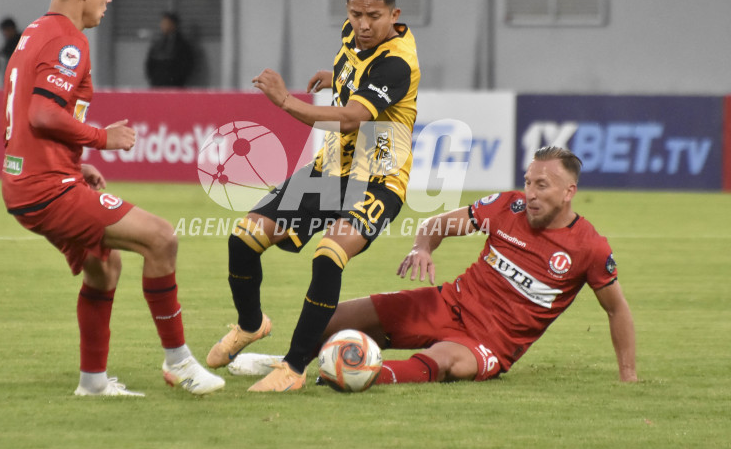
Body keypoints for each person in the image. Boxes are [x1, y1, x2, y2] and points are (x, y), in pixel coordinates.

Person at [1, 0, 224, 397]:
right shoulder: (67, 40)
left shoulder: (34, 34)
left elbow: (27, 115)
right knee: (161, 237)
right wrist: (103, 139)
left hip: (31, 180)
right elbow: (42, 114)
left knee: (105, 267)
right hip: (45, 188)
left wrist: (75, 165)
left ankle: (94, 384)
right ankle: (179, 363)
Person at [231, 146, 637, 385]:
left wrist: (628, 376)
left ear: (569, 192)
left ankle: (353, 373)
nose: (529, 192)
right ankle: (290, 361)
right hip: (447, 303)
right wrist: (423, 248)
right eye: (529, 181)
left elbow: (617, 309)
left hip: (488, 343)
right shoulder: (506, 205)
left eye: (541, 185)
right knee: (335, 316)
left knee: (445, 361)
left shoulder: (589, 248)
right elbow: (437, 224)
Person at [205, 0, 421, 392]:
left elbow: (350, 118)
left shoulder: (397, 62)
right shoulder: (352, 35)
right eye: (356, 13)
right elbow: (352, 73)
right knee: (244, 238)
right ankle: (251, 325)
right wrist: (335, 77)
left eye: (373, 16)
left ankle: (294, 366)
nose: (362, 24)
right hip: (330, 172)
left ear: (394, 15)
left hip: (378, 180)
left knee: (328, 255)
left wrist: (286, 101)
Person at [144, 11, 195, 88]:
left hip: (175, 87)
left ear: (173, 25)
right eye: (162, 23)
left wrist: (177, 81)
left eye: (166, 23)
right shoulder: (157, 44)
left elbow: (187, 66)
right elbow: (149, 64)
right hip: (157, 86)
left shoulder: (182, 45)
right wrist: (153, 80)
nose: (162, 26)